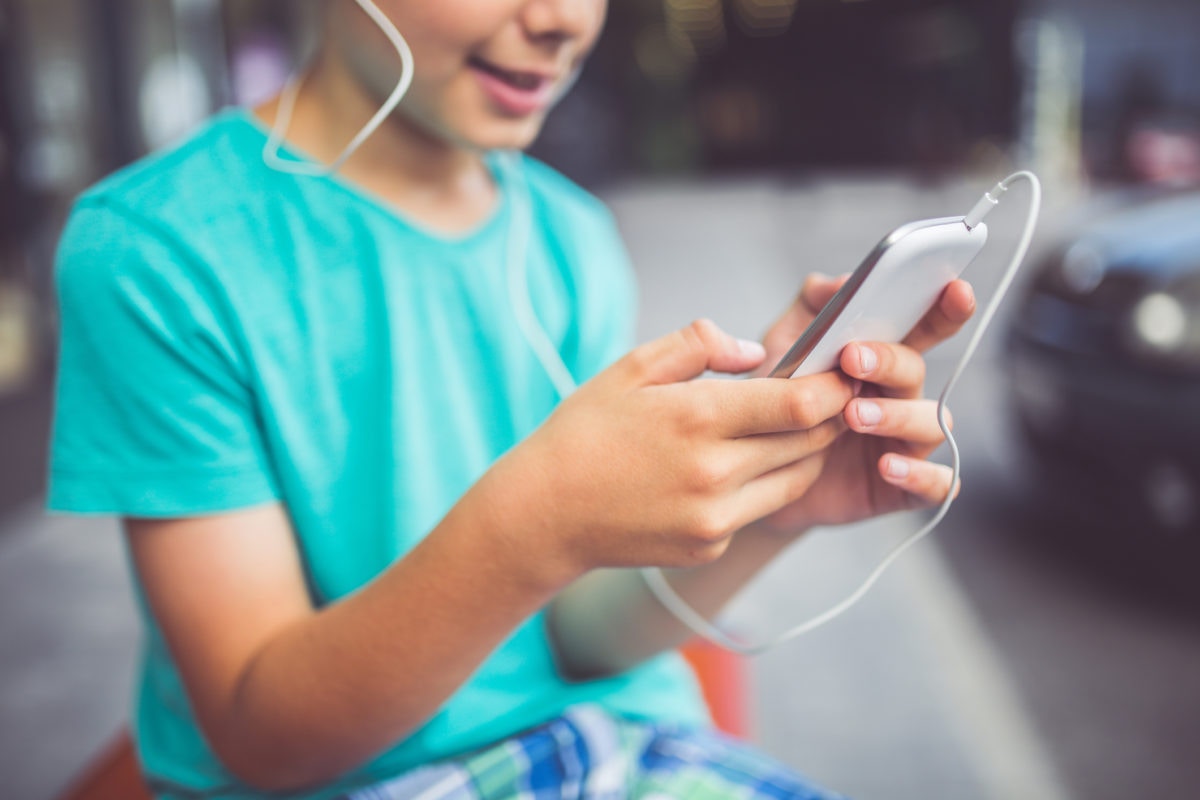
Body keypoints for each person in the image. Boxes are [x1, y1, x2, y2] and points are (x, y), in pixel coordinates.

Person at [48, 1, 975, 798]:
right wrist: (536, 524)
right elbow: (263, 734)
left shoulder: (568, 236)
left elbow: (582, 640)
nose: (562, 21)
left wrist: (779, 509)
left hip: (610, 747)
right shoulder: (158, 251)